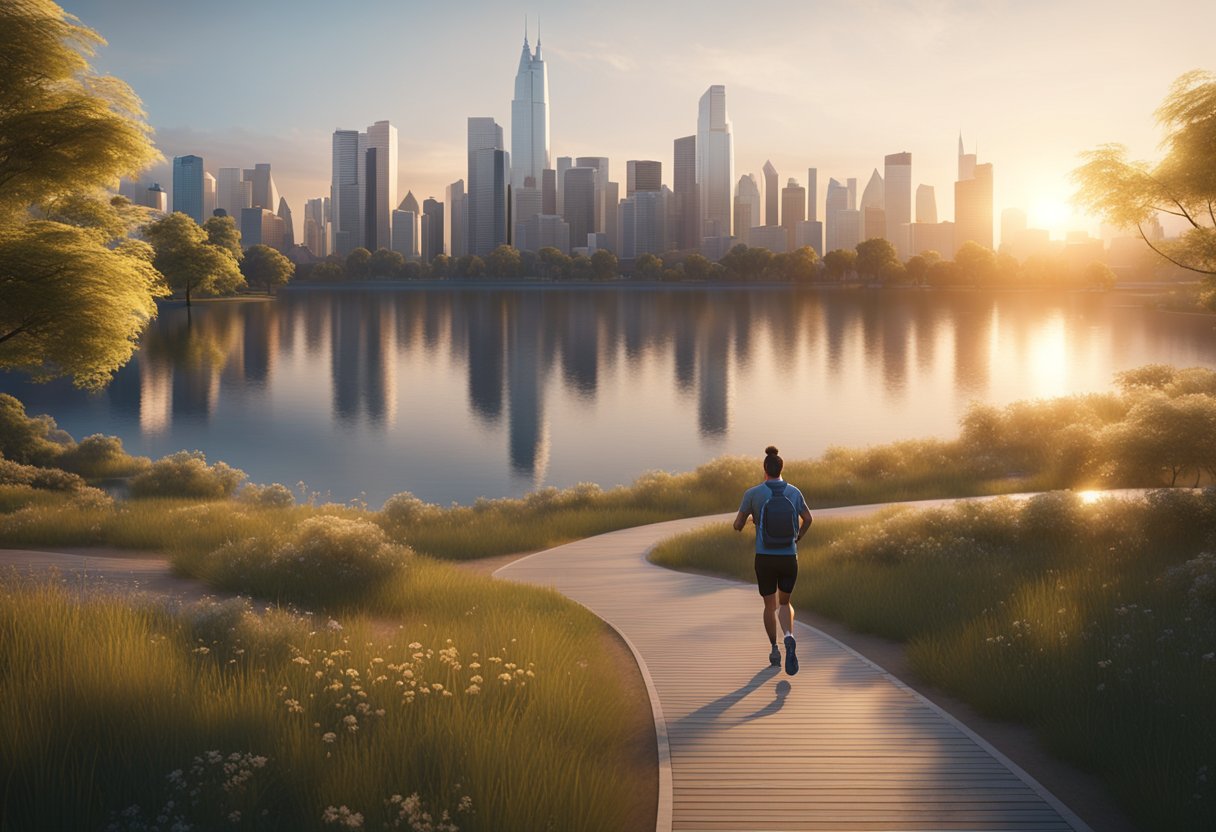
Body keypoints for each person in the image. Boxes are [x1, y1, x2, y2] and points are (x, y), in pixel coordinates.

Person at [733, 445, 812, 675]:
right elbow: (808, 518)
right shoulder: (794, 492)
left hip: (765, 558)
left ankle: (774, 649)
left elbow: (737, 525)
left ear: (764, 469)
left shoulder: (753, 494)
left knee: (770, 606)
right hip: (789, 557)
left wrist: (747, 523)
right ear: (781, 468)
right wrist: (797, 538)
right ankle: (789, 636)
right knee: (785, 603)